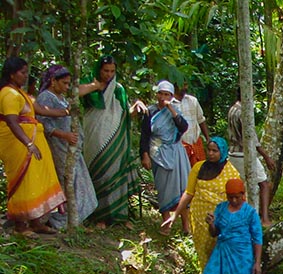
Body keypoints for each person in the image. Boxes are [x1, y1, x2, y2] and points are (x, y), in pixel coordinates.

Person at [0, 57, 65, 235]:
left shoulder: (21, 94)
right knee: (24, 182)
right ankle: (21, 226)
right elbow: (12, 122)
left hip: (32, 144)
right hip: (19, 145)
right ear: (12, 74)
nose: (25, 76)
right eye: (22, 73)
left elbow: (41, 109)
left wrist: (66, 111)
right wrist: (28, 143)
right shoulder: (8, 94)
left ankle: (36, 223)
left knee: (36, 180)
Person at [82, 56, 144, 226]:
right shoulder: (89, 82)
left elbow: (124, 114)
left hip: (115, 137)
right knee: (98, 172)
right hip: (94, 135)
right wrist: (95, 86)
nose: (108, 74)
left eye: (112, 71)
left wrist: (136, 107)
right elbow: (74, 94)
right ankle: (98, 216)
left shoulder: (118, 89)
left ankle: (119, 215)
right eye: (105, 70)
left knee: (115, 174)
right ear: (99, 70)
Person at [36, 64, 99, 229]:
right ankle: (61, 221)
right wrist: (64, 135)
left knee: (79, 184)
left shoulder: (61, 97)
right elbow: (44, 124)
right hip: (60, 148)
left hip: (71, 148)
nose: (66, 87)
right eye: (63, 83)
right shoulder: (46, 98)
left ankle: (72, 220)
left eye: (68, 83)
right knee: (69, 182)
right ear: (53, 81)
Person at [161, 137, 242, 264]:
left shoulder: (231, 173)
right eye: (208, 150)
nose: (210, 153)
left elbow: (237, 201)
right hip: (199, 218)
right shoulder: (198, 168)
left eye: (214, 151)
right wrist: (175, 215)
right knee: (203, 252)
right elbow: (189, 193)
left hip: (220, 219)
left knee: (219, 254)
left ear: (222, 151)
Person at [197, 178, 263, 274]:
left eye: (237, 197)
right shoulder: (220, 208)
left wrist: (257, 262)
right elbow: (214, 233)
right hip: (221, 253)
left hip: (242, 257)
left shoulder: (250, 213)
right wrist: (211, 224)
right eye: (230, 197)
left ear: (243, 195)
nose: (233, 200)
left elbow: (257, 239)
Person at [140, 80, 191, 220]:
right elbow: (145, 135)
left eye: (167, 94)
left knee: (182, 188)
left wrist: (171, 110)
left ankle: (186, 225)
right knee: (163, 188)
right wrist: (144, 155)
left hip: (175, 153)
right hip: (158, 153)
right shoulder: (150, 111)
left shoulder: (176, 111)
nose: (163, 97)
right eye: (161, 94)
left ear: (171, 96)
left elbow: (183, 127)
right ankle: (166, 221)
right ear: (157, 94)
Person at [227, 93, 275, 226]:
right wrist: (266, 156)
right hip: (244, 154)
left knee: (241, 187)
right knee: (263, 183)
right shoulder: (244, 112)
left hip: (233, 153)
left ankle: (240, 218)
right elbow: (251, 137)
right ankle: (264, 218)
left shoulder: (232, 109)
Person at [175, 84, 210, 167]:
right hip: (179, 147)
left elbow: (201, 119)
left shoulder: (193, 100)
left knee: (198, 173)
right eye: (183, 85)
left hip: (195, 144)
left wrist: (208, 138)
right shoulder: (169, 103)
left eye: (186, 85)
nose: (185, 88)